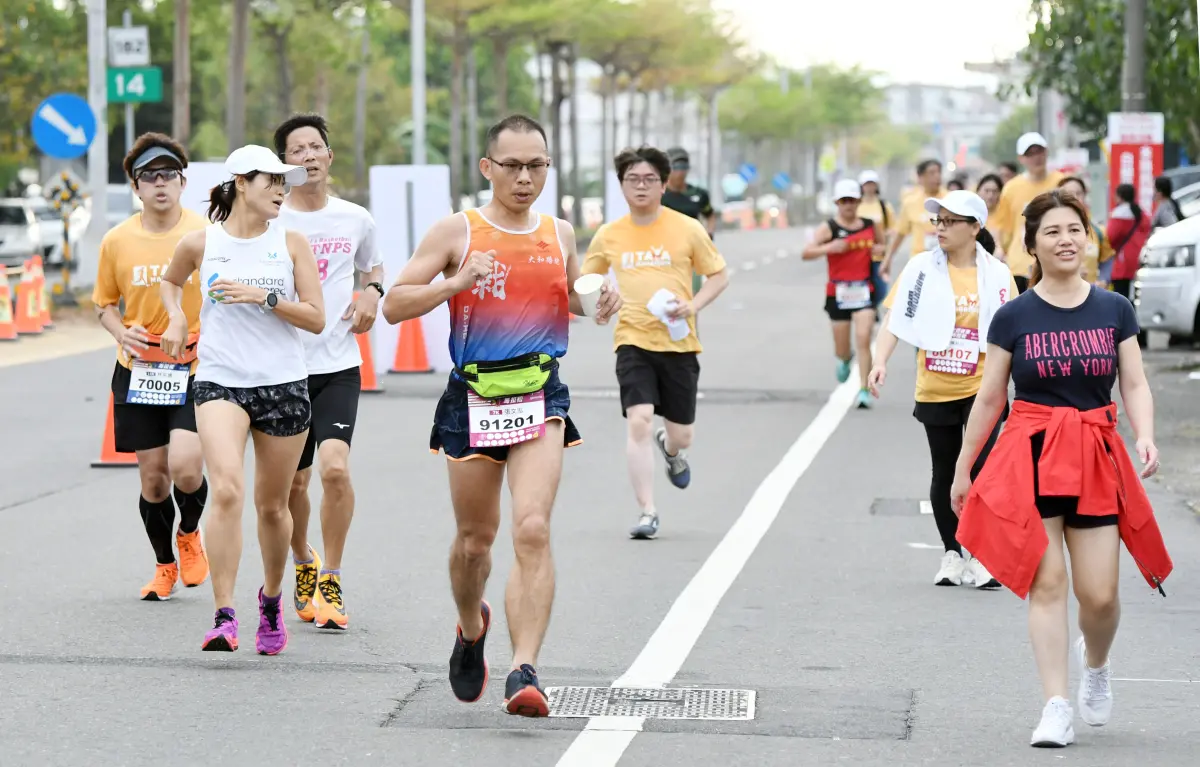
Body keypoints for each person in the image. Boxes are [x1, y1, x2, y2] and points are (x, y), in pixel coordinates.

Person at [381, 115, 621, 716]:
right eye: (511, 165)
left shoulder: (559, 231)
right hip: (473, 397)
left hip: (540, 393)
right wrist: (456, 280)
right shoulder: (458, 230)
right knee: (474, 543)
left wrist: (601, 300)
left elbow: (577, 290)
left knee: (533, 528)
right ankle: (470, 626)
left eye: (535, 165)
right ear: (487, 168)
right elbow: (393, 306)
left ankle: (524, 670)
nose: (524, 177)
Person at [949, 190, 1172, 748]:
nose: (1065, 239)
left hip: (1095, 456)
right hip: (1030, 455)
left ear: (1088, 239)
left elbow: (1135, 383)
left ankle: (1095, 663)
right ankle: (1055, 705)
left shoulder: (1114, 309)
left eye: (1074, 228)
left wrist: (1144, 435)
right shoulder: (1014, 315)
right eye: (1052, 231)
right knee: (1046, 583)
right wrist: (963, 468)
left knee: (1100, 596)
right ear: (1032, 245)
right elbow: (989, 398)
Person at [160, 145, 325, 655]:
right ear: (240, 182)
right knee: (227, 489)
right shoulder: (200, 242)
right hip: (220, 380)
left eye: (285, 182)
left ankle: (271, 601)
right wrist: (178, 317)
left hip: (283, 384)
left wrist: (267, 299)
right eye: (272, 180)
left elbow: (317, 319)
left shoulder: (292, 242)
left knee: (273, 508)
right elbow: (170, 281)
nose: (282, 189)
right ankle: (224, 614)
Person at [868, 190, 1017, 588]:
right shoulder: (920, 269)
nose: (941, 228)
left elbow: (1012, 333)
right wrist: (880, 361)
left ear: (975, 228)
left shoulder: (999, 274)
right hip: (936, 383)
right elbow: (896, 321)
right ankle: (952, 552)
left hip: (984, 385)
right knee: (946, 470)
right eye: (939, 221)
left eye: (951, 222)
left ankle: (982, 556)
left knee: (980, 470)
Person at [273, 113, 385, 631]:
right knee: (293, 485)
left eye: (316, 147)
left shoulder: (354, 218)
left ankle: (333, 578)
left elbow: (374, 266)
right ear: (284, 164)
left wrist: (371, 293)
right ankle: (303, 560)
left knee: (335, 468)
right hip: (283, 367)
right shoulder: (273, 224)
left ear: (329, 156)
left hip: (339, 363)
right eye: (297, 150)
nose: (309, 156)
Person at [583, 145, 729, 540]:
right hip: (632, 340)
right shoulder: (609, 235)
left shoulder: (687, 228)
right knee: (639, 420)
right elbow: (585, 282)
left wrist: (693, 305)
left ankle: (672, 449)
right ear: (622, 186)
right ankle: (647, 511)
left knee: (681, 434)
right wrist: (596, 306)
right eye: (633, 179)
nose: (641, 186)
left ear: (664, 185)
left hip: (680, 344)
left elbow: (718, 275)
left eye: (650, 179)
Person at [92, 133, 210, 601]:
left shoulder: (206, 234)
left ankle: (191, 533)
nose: (160, 184)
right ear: (136, 187)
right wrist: (120, 331)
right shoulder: (117, 241)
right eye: (149, 177)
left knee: (185, 467)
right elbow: (103, 304)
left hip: (195, 367)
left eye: (168, 175)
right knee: (154, 479)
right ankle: (165, 564)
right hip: (139, 369)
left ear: (183, 183)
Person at [803, 179, 883, 408]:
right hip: (837, 292)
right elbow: (806, 252)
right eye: (844, 201)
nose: (848, 205)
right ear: (837, 203)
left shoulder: (870, 224)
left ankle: (864, 390)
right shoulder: (829, 228)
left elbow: (882, 246)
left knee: (864, 338)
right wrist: (829, 247)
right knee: (842, 347)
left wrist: (879, 250)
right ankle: (844, 359)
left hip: (863, 290)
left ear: (859, 201)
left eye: (852, 201)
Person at [990, 132, 1066, 293]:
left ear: (1046, 152)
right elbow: (1004, 228)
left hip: (1055, 259)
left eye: (1039, 151)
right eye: (1029, 154)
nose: (1036, 157)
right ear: (1021, 158)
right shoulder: (1011, 188)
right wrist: (999, 250)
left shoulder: (1062, 183)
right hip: (1020, 264)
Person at [661, 147, 717, 330]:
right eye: (677, 166)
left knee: (689, 297)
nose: (681, 171)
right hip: (662, 254)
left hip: (691, 255)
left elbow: (709, 214)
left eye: (684, 166)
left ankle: (689, 335)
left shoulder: (698, 194)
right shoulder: (659, 195)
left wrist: (709, 234)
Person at [880, 159, 946, 283]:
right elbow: (900, 233)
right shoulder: (910, 202)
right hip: (920, 263)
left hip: (947, 263)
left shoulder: (950, 199)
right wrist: (888, 259)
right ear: (920, 178)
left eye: (938, 172)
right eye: (931, 173)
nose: (936, 176)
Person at [1105, 183, 1151, 348]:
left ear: (1119, 196)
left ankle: (1126, 337)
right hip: (1139, 260)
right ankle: (1142, 337)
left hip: (1123, 263)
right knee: (1137, 300)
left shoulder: (1118, 215)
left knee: (1122, 301)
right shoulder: (1142, 214)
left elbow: (1109, 237)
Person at [1056, 176, 1114, 290]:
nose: (1075, 198)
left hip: (1091, 297)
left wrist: (1103, 280)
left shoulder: (1098, 231)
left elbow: (1107, 260)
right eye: (1068, 194)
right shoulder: (1049, 232)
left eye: (1079, 193)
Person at [857, 170, 897, 300]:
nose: (869, 187)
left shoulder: (884, 206)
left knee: (880, 288)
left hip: (878, 255)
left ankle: (873, 307)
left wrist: (884, 243)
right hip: (859, 255)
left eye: (872, 184)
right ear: (862, 186)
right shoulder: (856, 205)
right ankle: (868, 310)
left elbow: (893, 229)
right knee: (861, 287)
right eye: (867, 184)